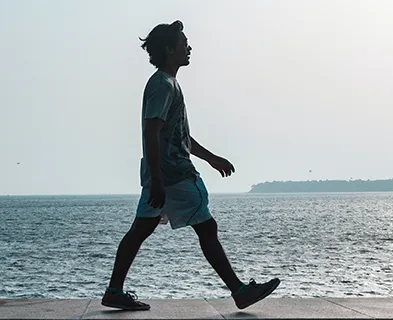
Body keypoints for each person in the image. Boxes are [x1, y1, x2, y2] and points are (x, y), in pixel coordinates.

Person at [101, 20, 280, 311]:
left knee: (140, 229)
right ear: (170, 49)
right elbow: (151, 131)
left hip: (162, 174)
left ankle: (113, 291)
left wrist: (210, 158)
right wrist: (158, 180)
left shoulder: (167, 83)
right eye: (184, 43)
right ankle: (239, 291)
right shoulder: (163, 85)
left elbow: (177, 133)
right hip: (174, 175)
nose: (189, 48)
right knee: (207, 227)